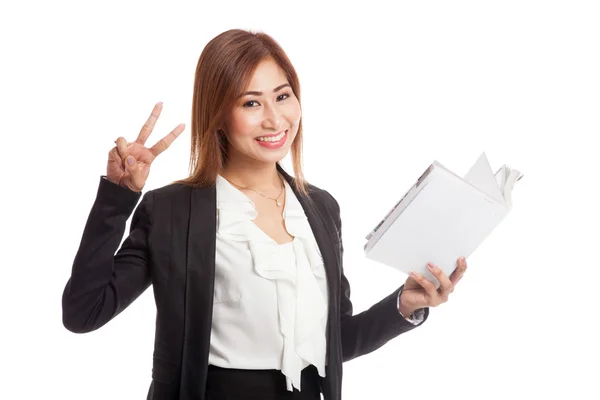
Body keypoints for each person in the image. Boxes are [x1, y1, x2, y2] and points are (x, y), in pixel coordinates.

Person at [62, 29, 468, 400]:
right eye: (251, 102)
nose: (275, 119)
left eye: (283, 95)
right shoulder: (171, 210)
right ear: (218, 115)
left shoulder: (320, 207)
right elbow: (84, 312)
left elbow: (333, 340)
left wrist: (404, 305)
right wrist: (118, 196)